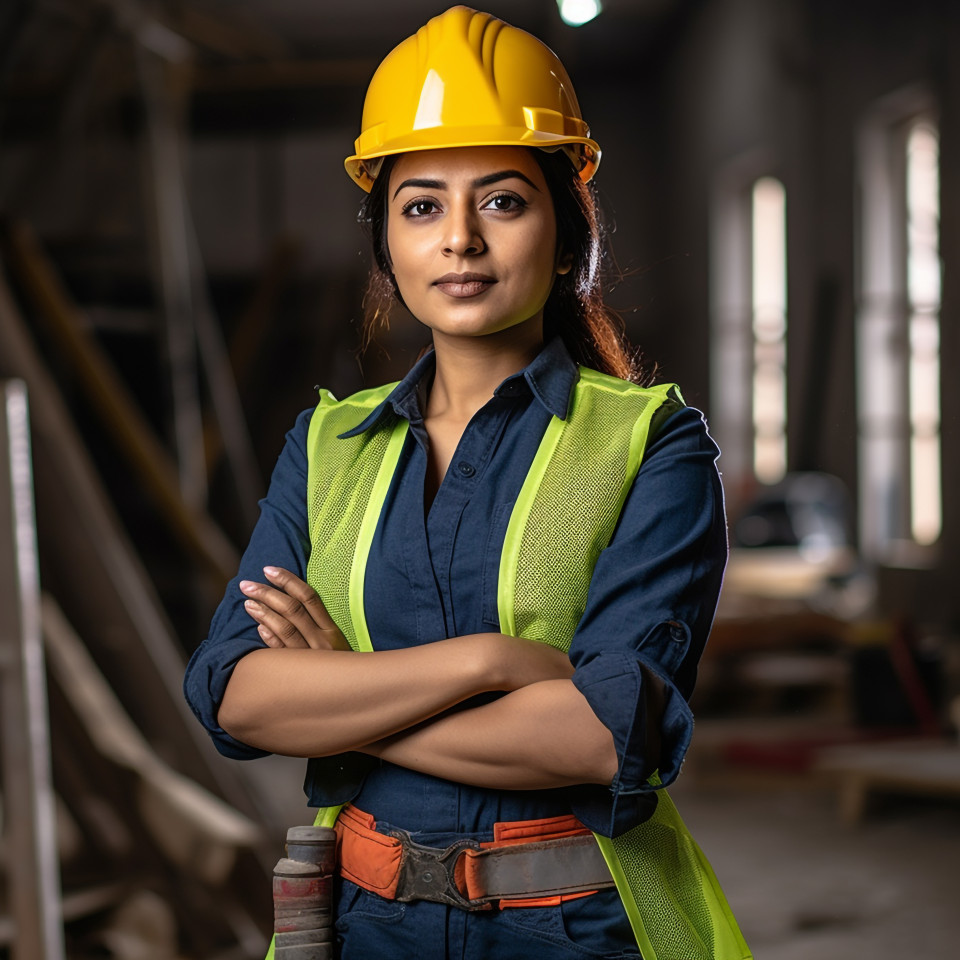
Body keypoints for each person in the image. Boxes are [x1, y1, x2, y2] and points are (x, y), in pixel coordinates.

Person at [184, 7, 750, 959]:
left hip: (573, 930)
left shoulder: (652, 446)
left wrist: (341, 705)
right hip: (361, 927)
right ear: (388, 249)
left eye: (501, 201)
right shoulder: (328, 447)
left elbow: (601, 740)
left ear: (568, 237)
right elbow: (235, 695)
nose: (459, 241)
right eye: (420, 206)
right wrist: (488, 663)